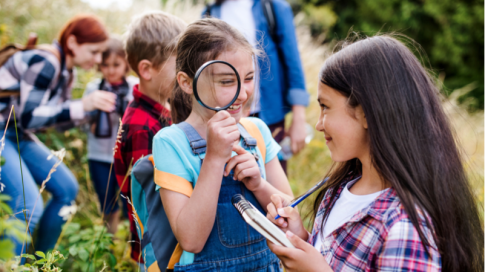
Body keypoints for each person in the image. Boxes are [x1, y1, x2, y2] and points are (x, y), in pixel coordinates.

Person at [265, 35, 485, 272]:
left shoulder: (404, 227)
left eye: (326, 107)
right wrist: (300, 238)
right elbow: (334, 260)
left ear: (367, 113)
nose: (319, 124)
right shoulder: (339, 189)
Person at [153, 18, 293, 271]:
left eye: (248, 78)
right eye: (227, 81)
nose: (242, 94)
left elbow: (291, 218)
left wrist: (259, 184)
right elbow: (191, 240)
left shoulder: (257, 132)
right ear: (187, 83)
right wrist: (214, 159)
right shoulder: (170, 142)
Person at [0, 14, 112, 255]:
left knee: (67, 189)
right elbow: (30, 116)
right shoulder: (47, 61)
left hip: (17, 133)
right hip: (3, 130)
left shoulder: (66, 72)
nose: (98, 59)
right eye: (94, 52)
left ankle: (39, 261)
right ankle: (9, 265)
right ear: (72, 43)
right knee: (28, 205)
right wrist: (82, 105)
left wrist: (91, 113)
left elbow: (55, 122)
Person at [113, 11, 186, 267]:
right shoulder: (143, 127)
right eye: (179, 64)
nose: (185, 73)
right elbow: (149, 200)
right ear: (146, 70)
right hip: (160, 250)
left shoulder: (159, 112)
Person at [203, 0, 310, 172]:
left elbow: (293, 61)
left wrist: (299, 117)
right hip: (227, 113)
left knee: (273, 177)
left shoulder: (273, 8)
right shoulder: (210, 12)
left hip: (270, 116)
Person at [82, 37, 138, 234]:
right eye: (105, 65)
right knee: (107, 203)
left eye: (116, 64)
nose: (111, 70)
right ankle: (109, 243)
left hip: (127, 156)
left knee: (131, 205)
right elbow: (82, 122)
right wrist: (94, 120)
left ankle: (132, 245)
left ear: (126, 64)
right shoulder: (94, 88)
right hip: (99, 155)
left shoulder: (134, 87)